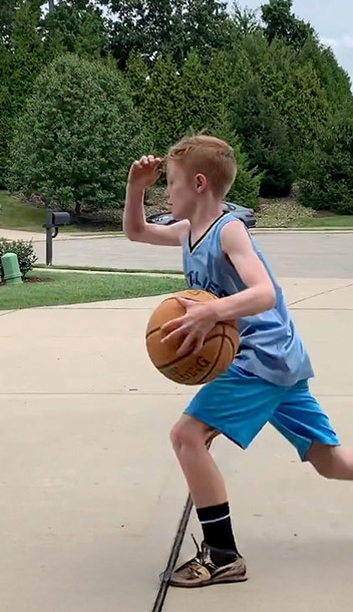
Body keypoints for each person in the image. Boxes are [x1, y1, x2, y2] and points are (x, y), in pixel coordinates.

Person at [123, 133, 353, 588]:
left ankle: (223, 555)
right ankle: (223, 552)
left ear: (200, 184)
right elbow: (136, 231)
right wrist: (136, 188)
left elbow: (264, 291)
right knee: (329, 461)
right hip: (281, 361)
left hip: (261, 360)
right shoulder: (190, 231)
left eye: (170, 183)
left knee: (187, 436)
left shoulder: (229, 230)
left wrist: (212, 311)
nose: (166, 192)